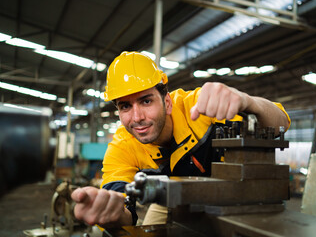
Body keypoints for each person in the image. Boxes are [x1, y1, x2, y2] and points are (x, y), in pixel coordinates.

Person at [71, 51, 291, 229]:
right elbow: (124, 213)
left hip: (232, 196)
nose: (137, 117)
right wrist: (108, 210)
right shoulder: (122, 147)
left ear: (167, 102)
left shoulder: (200, 107)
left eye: (146, 101)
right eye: (125, 106)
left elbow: (281, 123)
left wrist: (248, 102)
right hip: (173, 200)